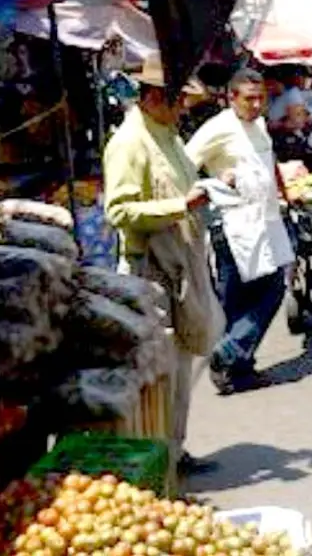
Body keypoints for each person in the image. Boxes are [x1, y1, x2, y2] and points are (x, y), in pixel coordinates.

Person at [102, 56, 221, 475]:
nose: (184, 107)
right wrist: (180, 205)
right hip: (149, 270)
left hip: (180, 263)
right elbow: (119, 211)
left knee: (183, 365)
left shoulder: (167, 134)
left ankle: (174, 449)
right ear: (154, 97)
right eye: (178, 100)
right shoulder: (130, 142)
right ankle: (157, 458)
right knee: (159, 370)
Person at [186, 69, 296, 396]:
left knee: (274, 286)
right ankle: (234, 364)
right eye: (249, 98)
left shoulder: (259, 124)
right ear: (230, 98)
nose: (257, 104)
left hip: (265, 220)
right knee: (234, 299)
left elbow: (268, 162)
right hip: (232, 227)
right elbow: (185, 164)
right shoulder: (217, 128)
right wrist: (215, 182)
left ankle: (235, 357)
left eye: (261, 97)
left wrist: (284, 191)